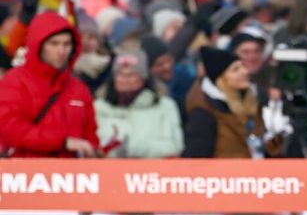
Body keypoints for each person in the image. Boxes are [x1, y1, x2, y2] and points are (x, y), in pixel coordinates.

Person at [0, 12, 99, 157]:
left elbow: (90, 135)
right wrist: (62, 142)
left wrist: (95, 151)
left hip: (71, 170)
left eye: (67, 44)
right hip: (26, 168)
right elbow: (11, 129)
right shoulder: (15, 81)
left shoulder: (78, 88)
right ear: (38, 45)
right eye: (54, 43)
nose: (61, 51)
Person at [182, 46, 281, 158]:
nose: (245, 71)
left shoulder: (254, 102)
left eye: (243, 66)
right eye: (235, 69)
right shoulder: (204, 112)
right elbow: (196, 158)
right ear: (221, 79)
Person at [95, 50, 184, 158]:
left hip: (152, 167)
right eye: (120, 74)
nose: (125, 80)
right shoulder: (98, 107)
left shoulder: (165, 106)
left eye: (131, 75)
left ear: (143, 78)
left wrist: (133, 146)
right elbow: (91, 145)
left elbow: (175, 146)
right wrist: (112, 149)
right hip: (107, 167)